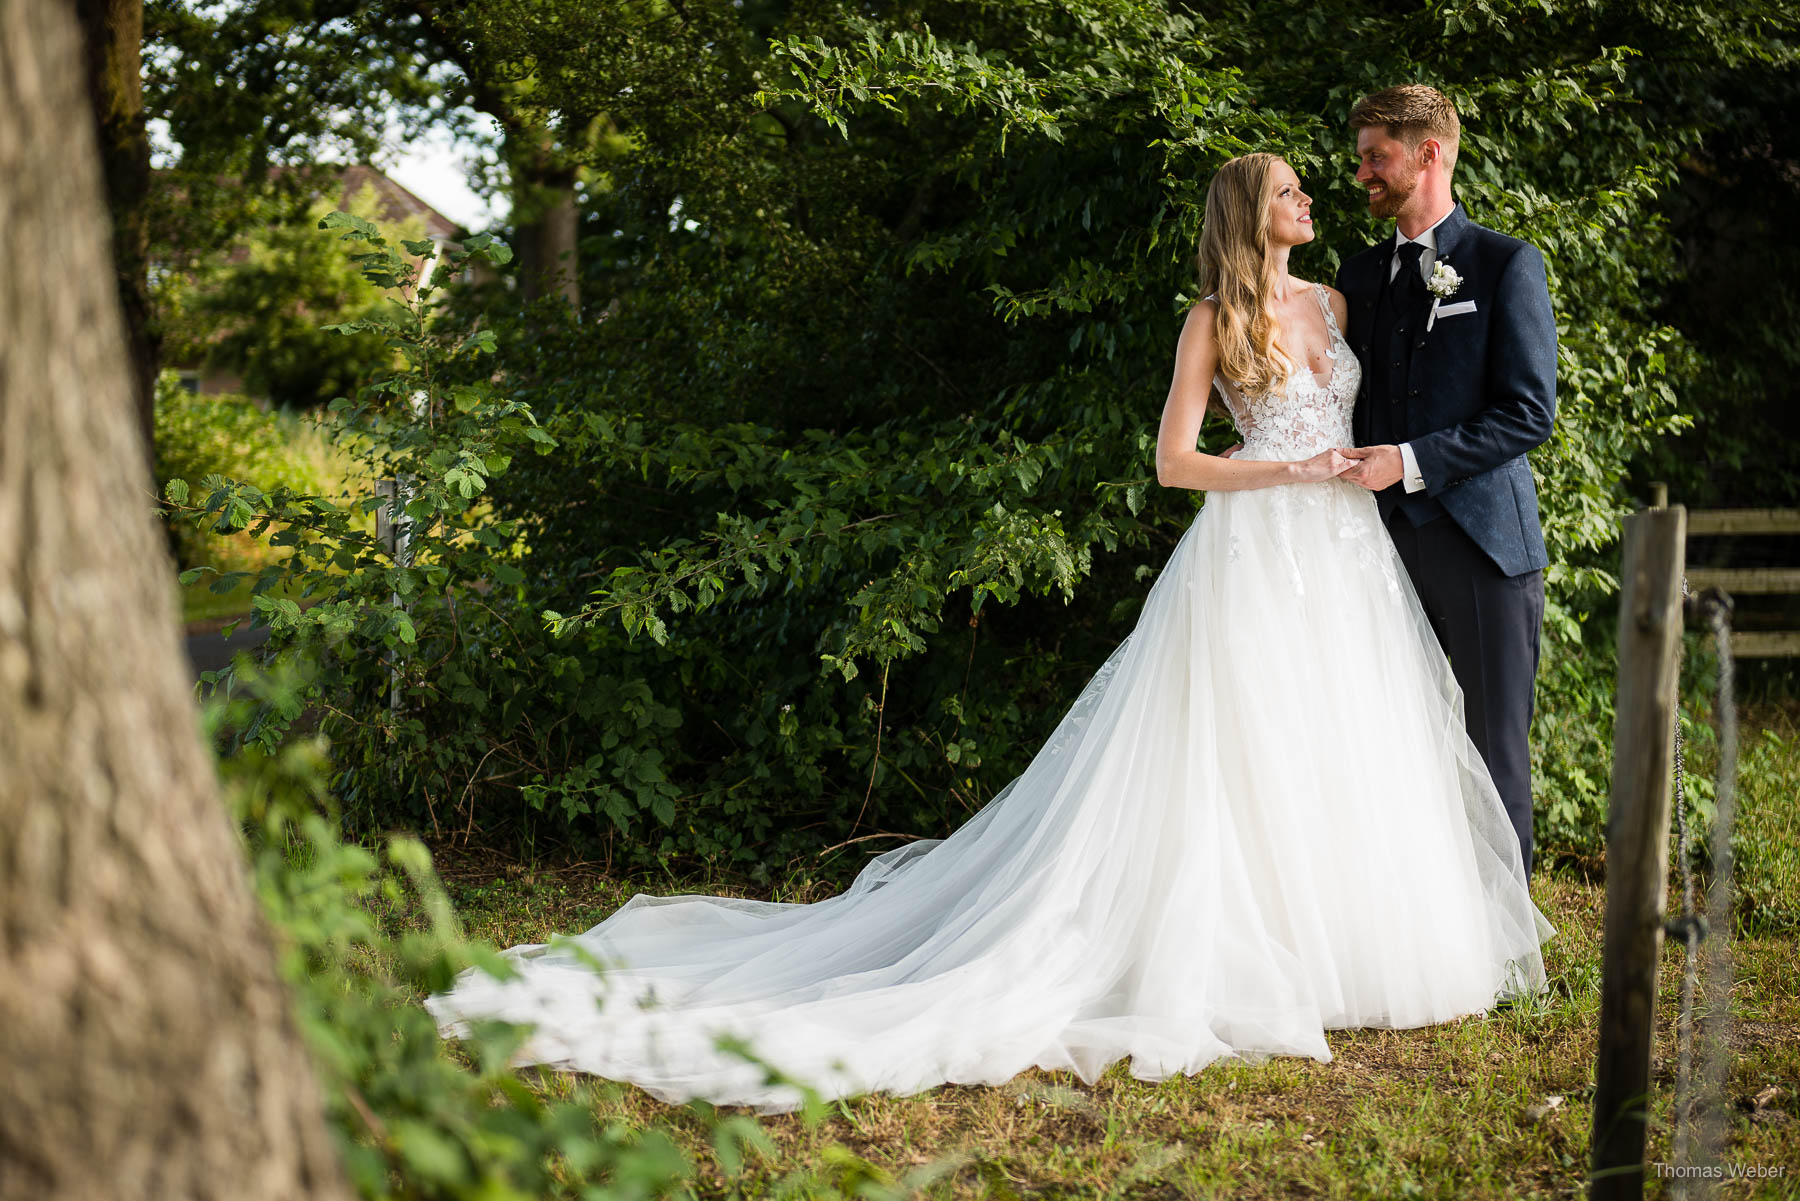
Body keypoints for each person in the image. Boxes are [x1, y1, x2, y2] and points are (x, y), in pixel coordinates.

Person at [425, 151, 1555, 1114]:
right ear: (1248, 213)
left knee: (1343, 746)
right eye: (1292, 192)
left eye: (1315, 187)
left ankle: (1348, 950)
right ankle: (1237, 954)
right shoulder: (1211, 321)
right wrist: (1286, 468)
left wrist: (1367, 469)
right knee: (1240, 758)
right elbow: (1173, 463)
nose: (1312, 200)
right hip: (1259, 547)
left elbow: (1410, 404)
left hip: (1349, 557)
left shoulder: (1343, 304)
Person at [1332, 84, 1557, 879]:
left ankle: (1508, 950)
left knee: (1493, 748)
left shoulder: (1504, 264)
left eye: (1375, 156)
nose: (1362, 172)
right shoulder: (1356, 278)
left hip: (1484, 547)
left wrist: (1412, 459)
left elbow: (1529, 411)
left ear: (1429, 153)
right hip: (1377, 549)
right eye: (1361, 157)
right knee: (1395, 742)